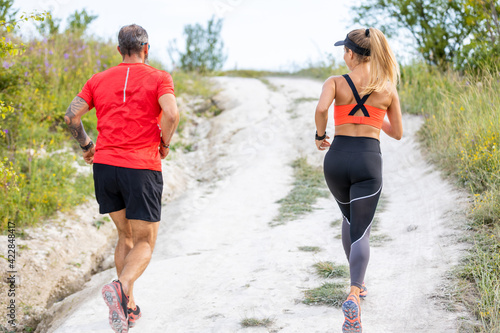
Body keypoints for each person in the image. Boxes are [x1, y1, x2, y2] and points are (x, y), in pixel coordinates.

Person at [64, 24, 179, 332]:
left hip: (105, 168)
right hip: (141, 168)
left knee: (124, 236)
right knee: (144, 241)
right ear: (146, 48)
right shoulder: (159, 78)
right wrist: (164, 144)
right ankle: (121, 286)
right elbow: (171, 114)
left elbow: (71, 116)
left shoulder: (98, 79)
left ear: (118, 50)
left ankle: (127, 308)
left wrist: (87, 145)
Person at [314, 27, 403, 333]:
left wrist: (320, 134)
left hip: (337, 160)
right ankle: (355, 292)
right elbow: (398, 132)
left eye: (344, 51)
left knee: (349, 219)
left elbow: (322, 109)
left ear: (351, 54)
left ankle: (358, 284)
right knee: (361, 228)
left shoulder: (335, 82)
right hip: (368, 160)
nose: (343, 55)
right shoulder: (387, 88)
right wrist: (375, 119)